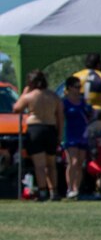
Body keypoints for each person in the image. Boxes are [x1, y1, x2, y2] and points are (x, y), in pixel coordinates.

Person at [12, 69, 60, 200]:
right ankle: (54, 192)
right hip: (51, 129)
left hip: (35, 129)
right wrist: (59, 135)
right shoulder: (54, 96)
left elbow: (16, 109)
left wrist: (24, 93)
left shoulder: (30, 96)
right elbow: (60, 116)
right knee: (51, 164)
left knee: (39, 165)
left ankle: (43, 192)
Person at [59, 76, 92, 199]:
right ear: (70, 88)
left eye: (80, 87)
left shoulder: (83, 101)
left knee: (80, 163)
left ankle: (76, 188)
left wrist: (91, 110)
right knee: (73, 161)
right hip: (70, 134)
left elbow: (88, 115)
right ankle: (70, 188)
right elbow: (61, 118)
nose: (79, 89)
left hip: (82, 133)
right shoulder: (64, 102)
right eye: (76, 87)